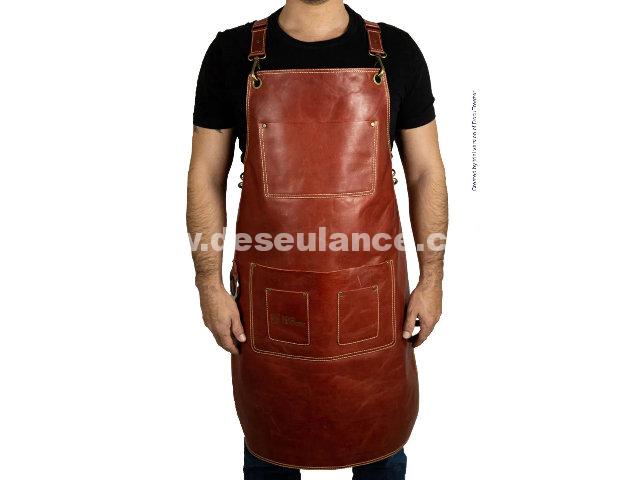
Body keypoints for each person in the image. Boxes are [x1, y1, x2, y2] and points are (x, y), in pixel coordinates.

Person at [187, 1, 448, 478]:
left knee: (380, 449)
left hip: (373, 305)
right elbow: (206, 175)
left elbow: (425, 172)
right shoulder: (231, 53)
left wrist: (432, 279)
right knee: (271, 450)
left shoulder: (396, 51)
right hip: (270, 309)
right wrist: (208, 283)